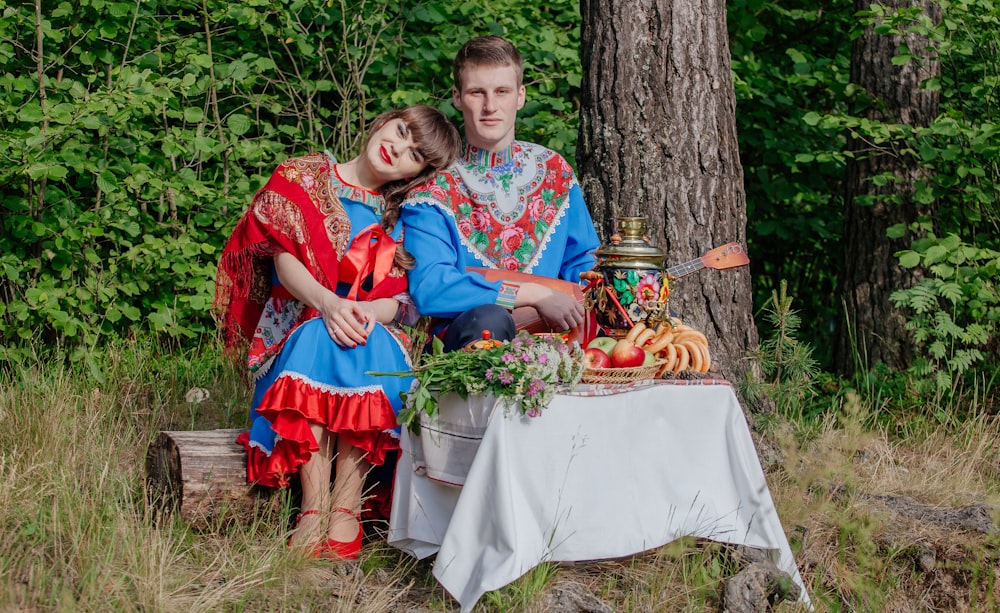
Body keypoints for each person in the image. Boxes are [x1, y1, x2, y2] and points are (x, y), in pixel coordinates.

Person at [213, 104, 461, 559]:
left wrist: (361, 313)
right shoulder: (302, 176)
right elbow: (283, 263)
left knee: (361, 341)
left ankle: (346, 508)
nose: (397, 149)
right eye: (401, 131)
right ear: (384, 120)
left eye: (414, 154)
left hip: (371, 330)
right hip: (298, 323)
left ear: (417, 172)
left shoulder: (406, 213)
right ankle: (314, 507)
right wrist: (328, 304)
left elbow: (402, 299)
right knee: (317, 335)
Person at [400, 36, 601, 350]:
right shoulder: (432, 187)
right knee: (490, 319)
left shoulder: (555, 172)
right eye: (477, 92)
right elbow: (431, 289)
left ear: (520, 96)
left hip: (556, 336)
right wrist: (529, 295)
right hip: (470, 346)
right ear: (457, 97)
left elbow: (583, 267)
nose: (490, 106)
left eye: (502, 92)